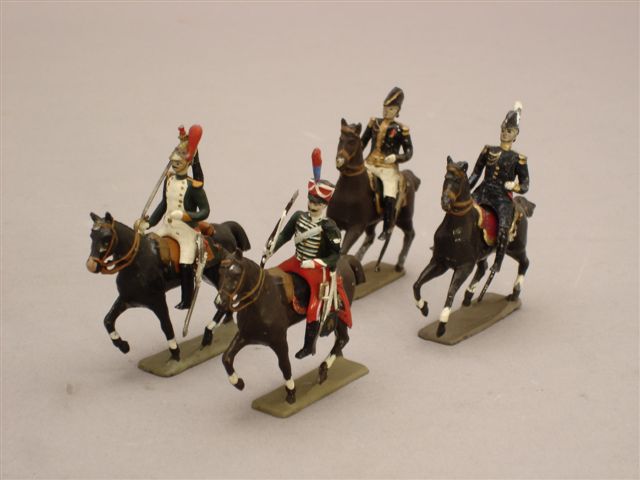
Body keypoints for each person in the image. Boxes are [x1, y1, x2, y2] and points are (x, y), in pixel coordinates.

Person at [270, 148, 352, 359]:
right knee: (271, 275)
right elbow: (285, 235)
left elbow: (335, 256)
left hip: (315, 269)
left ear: (325, 204)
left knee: (315, 304)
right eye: (311, 201)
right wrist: (272, 247)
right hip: (296, 260)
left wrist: (315, 263)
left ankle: (309, 345)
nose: (313, 205)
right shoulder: (299, 216)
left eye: (318, 203)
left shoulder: (329, 227)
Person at [140, 124, 210, 309]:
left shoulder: (194, 186)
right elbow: (163, 205)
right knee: (146, 246)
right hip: (167, 226)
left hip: (186, 230)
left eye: (178, 163)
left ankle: (186, 299)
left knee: (185, 262)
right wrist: (149, 223)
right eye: (173, 162)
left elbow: (204, 211)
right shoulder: (169, 180)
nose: (174, 165)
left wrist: (186, 215)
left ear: (187, 163)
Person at [468, 102, 530, 272]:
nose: (504, 133)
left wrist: (515, 186)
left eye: (508, 131)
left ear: (515, 134)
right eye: (503, 129)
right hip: (483, 191)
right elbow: (475, 174)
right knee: (461, 210)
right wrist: (466, 188)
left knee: (503, 226)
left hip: (502, 198)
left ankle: (497, 262)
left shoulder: (518, 159)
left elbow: (525, 185)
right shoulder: (488, 150)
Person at [361, 86, 414, 240]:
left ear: (397, 110)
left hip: (387, 168)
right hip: (369, 163)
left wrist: (396, 157)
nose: (386, 112)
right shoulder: (374, 123)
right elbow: (362, 142)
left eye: (391, 109)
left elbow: (409, 152)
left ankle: (387, 227)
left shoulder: (401, 129)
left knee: (389, 192)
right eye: (385, 108)